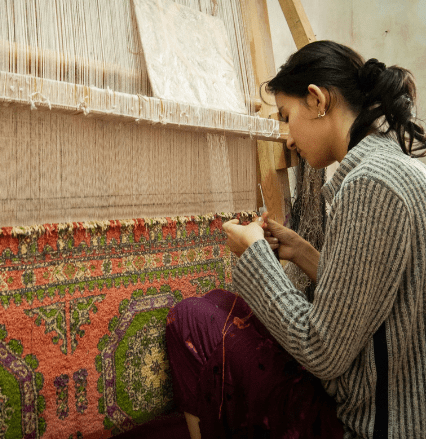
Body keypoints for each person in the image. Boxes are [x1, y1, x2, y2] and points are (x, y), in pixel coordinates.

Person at [165, 40, 426, 439]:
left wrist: (255, 256)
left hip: (369, 425)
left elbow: (321, 349)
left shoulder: (368, 184)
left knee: (191, 318)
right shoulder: (402, 171)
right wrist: (301, 251)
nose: (287, 138)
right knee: (218, 303)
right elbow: (381, 294)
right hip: (399, 406)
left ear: (318, 100)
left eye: (287, 117)